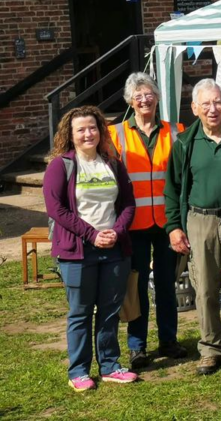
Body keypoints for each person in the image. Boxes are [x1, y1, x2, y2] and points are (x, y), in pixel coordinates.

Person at [164, 79, 221, 375]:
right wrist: (174, 227)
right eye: (205, 104)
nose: (212, 109)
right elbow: (172, 187)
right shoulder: (184, 143)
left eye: (217, 102)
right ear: (194, 108)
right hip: (199, 219)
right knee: (205, 288)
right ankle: (211, 348)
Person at [45, 106, 138, 391]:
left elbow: (128, 204)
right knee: (80, 312)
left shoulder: (113, 163)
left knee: (110, 311)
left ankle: (110, 366)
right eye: (81, 129)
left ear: (101, 131)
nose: (88, 133)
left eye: (93, 127)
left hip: (113, 249)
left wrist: (116, 231)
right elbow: (56, 209)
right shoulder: (61, 165)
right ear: (70, 136)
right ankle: (79, 371)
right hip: (77, 251)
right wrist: (91, 234)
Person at [108, 73, 185, 370]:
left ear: (157, 98)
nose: (144, 99)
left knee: (167, 284)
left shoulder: (177, 131)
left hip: (168, 224)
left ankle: (169, 340)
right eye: (138, 95)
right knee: (136, 287)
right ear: (130, 101)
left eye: (149, 93)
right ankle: (136, 346)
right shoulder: (116, 134)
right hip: (133, 225)